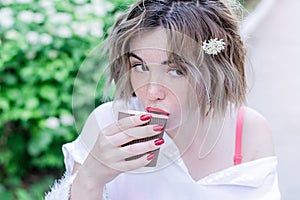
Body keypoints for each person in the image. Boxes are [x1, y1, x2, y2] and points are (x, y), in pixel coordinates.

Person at [45, 0, 281, 199]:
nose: (151, 91)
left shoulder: (248, 130)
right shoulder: (107, 122)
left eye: (176, 70)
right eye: (140, 66)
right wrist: (90, 177)